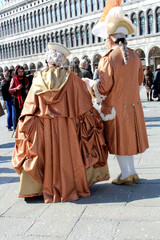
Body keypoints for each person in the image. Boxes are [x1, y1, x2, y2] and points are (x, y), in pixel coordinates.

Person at [12, 42, 109, 203]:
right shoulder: (72, 79)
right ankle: (74, 184)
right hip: (68, 127)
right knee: (70, 153)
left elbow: (29, 108)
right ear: (62, 61)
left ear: (48, 60)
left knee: (43, 153)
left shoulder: (37, 79)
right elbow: (84, 104)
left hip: (45, 126)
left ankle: (43, 186)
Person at [83, 0, 149, 185]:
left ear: (111, 38)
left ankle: (126, 174)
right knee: (128, 141)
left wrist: (89, 83)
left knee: (120, 142)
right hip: (133, 106)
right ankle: (131, 172)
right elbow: (139, 81)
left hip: (114, 108)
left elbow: (102, 88)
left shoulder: (108, 58)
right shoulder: (135, 56)